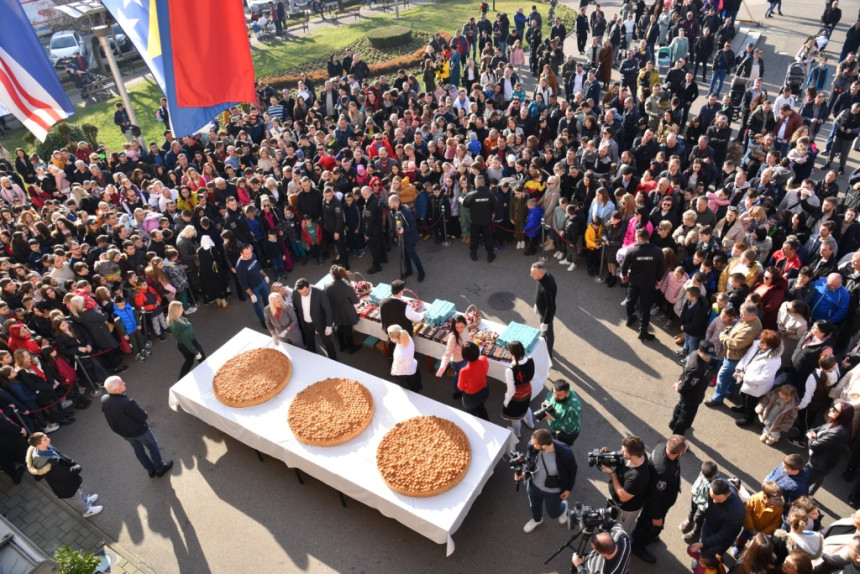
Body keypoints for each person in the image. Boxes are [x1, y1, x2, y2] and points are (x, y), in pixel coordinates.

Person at [100, 376, 173, 478]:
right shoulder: (127, 402)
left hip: (124, 433)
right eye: (121, 383)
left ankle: (150, 470)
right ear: (116, 389)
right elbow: (143, 416)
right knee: (152, 446)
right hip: (139, 431)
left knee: (138, 449)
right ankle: (160, 469)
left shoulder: (104, 399)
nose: (124, 383)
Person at [631, 435, 688, 563]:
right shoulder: (663, 471)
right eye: (686, 447)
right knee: (654, 526)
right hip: (658, 504)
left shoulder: (662, 446)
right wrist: (657, 517)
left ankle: (637, 533)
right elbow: (654, 497)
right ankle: (638, 547)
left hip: (659, 497)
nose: (687, 448)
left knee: (645, 518)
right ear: (680, 452)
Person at [516, 428, 578, 534]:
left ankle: (563, 507)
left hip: (553, 490)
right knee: (534, 505)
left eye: (535, 443)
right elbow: (529, 460)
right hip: (533, 485)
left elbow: (573, 470)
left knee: (553, 513)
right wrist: (523, 473)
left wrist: (568, 489)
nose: (531, 444)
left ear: (544, 446)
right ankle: (537, 520)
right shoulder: (532, 446)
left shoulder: (565, 453)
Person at [25, 432, 102, 518]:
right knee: (75, 498)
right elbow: (64, 473)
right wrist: (77, 468)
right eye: (45, 439)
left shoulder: (47, 448)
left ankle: (85, 500)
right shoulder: (46, 464)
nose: (48, 439)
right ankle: (86, 511)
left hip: (70, 480)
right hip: (66, 486)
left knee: (79, 490)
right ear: (39, 445)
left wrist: (72, 462)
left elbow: (61, 455)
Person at [621, 228, 666, 341]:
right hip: (648, 282)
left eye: (636, 238)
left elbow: (624, 266)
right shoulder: (657, 251)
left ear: (640, 238)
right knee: (645, 306)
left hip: (634, 281)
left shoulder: (632, 250)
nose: (635, 239)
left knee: (631, 300)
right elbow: (661, 268)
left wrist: (624, 275)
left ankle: (629, 318)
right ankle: (643, 330)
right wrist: (658, 279)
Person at [599, 435, 651, 533]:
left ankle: (616, 545)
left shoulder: (637, 477)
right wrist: (608, 455)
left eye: (624, 451)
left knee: (619, 530)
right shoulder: (640, 454)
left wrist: (611, 473)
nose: (621, 451)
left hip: (626, 510)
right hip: (616, 501)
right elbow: (620, 461)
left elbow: (623, 496)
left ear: (633, 455)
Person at [733, 330, 784, 426]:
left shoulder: (774, 360)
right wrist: (740, 369)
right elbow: (747, 357)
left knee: (750, 401)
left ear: (770, 346)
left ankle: (749, 418)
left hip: (755, 385)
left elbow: (764, 378)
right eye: (760, 339)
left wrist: (745, 378)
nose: (759, 342)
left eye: (763, 342)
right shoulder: (758, 347)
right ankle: (744, 408)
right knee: (744, 395)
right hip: (746, 379)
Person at [804, 399, 854, 494]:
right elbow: (814, 430)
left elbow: (814, 445)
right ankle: (810, 494)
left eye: (835, 410)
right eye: (833, 407)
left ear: (843, 415)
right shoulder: (833, 423)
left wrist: (811, 438)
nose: (831, 409)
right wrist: (811, 434)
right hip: (824, 463)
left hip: (819, 464)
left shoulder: (838, 432)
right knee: (818, 479)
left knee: (803, 483)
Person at [689, 478, 746, 558]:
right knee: (703, 543)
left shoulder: (736, 512)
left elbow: (723, 534)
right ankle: (701, 555)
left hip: (723, 536)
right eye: (712, 497)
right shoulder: (716, 485)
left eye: (718, 500)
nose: (714, 502)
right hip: (710, 522)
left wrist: (703, 543)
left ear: (728, 495)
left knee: (712, 554)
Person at [670, 340, 716, 435]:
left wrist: (680, 383)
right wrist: (680, 387)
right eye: (706, 354)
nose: (708, 357)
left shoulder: (694, 354)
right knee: (685, 420)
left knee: (680, 407)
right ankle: (677, 437)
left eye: (710, 355)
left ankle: (673, 423)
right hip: (692, 396)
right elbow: (687, 385)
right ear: (699, 351)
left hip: (688, 394)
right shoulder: (697, 368)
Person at [291, 277, 336, 359]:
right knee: (310, 341)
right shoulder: (295, 292)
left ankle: (334, 359)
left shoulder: (319, 292)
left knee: (327, 342)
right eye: (301, 292)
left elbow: (328, 309)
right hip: (306, 322)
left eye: (305, 291)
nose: (304, 294)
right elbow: (296, 307)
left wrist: (329, 325)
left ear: (309, 286)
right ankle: (312, 356)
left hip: (320, 322)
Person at [380, 280, 425, 358]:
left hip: (391, 334)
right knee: (406, 353)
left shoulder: (383, 302)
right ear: (401, 292)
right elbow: (417, 318)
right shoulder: (405, 306)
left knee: (393, 349)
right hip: (403, 336)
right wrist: (424, 313)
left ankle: (392, 360)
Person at [502, 340, 536, 439]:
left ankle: (517, 433)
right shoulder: (530, 359)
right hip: (528, 389)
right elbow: (532, 376)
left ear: (511, 353)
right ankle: (531, 424)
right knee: (526, 407)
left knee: (515, 417)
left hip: (517, 395)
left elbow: (511, 389)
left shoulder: (510, 370)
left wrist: (506, 400)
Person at [323, 265, 361, 353]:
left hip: (335, 312)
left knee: (339, 327)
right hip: (347, 312)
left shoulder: (327, 285)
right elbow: (355, 301)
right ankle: (351, 348)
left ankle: (342, 346)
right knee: (348, 329)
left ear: (333, 276)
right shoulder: (347, 287)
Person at [388, 195, 426, 281]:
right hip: (401, 238)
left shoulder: (406, 212)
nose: (388, 204)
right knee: (404, 255)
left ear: (395, 203)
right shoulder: (393, 210)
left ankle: (421, 272)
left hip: (409, 238)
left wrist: (404, 230)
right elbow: (395, 224)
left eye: (389, 203)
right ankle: (409, 270)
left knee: (412, 255)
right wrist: (395, 235)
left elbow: (413, 226)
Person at [166, 300, 206, 379]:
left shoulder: (172, 319)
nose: (183, 309)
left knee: (189, 362)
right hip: (190, 344)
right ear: (176, 311)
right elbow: (187, 342)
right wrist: (196, 352)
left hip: (181, 345)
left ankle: (180, 380)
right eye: (181, 308)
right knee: (202, 359)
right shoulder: (180, 325)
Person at [235, 242, 271, 328]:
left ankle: (269, 314)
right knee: (257, 305)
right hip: (253, 289)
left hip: (261, 282)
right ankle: (263, 320)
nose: (250, 255)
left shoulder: (253, 255)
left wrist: (265, 275)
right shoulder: (239, 267)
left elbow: (258, 267)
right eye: (247, 254)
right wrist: (251, 294)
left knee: (267, 299)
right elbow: (243, 283)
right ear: (241, 254)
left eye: (250, 252)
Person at [437, 314, 471, 399]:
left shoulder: (466, 329)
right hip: (458, 362)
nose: (460, 330)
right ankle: (456, 391)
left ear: (465, 324)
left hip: (465, 359)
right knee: (459, 376)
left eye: (461, 327)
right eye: (457, 327)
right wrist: (443, 366)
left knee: (462, 375)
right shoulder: (453, 338)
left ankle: (460, 389)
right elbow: (447, 354)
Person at [540, 379, 582, 446]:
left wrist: (552, 419)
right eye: (554, 393)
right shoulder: (557, 389)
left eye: (559, 395)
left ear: (567, 393)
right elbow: (550, 393)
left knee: (562, 448)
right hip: (554, 428)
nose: (555, 397)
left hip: (565, 435)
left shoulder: (573, 409)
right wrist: (546, 402)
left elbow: (569, 429)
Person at [530, 261, 557, 357]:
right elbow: (539, 292)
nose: (531, 275)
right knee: (545, 332)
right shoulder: (541, 277)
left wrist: (545, 322)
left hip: (546, 314)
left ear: (541, 273)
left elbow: (550, 307)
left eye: (533, 273)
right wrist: (537, 303)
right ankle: (543, 337)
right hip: (541, 310)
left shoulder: (549, 285)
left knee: (549, 333)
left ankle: (548, 354)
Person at [457, 342, 490, 420]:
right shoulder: (484, 359)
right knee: (481, 407)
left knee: (472, 415)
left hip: (471, 397)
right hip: (484, 390)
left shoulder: (464, 371)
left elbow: (460, 387)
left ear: (464, 357)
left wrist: (467, 387)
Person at [387, 324, 421, 393]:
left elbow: (398, 368)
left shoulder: (400, 354)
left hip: (405, 376)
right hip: (412, 367)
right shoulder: (407, 337)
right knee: (415, 388)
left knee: (410, 393)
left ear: (394, 338)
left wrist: (393, 372)